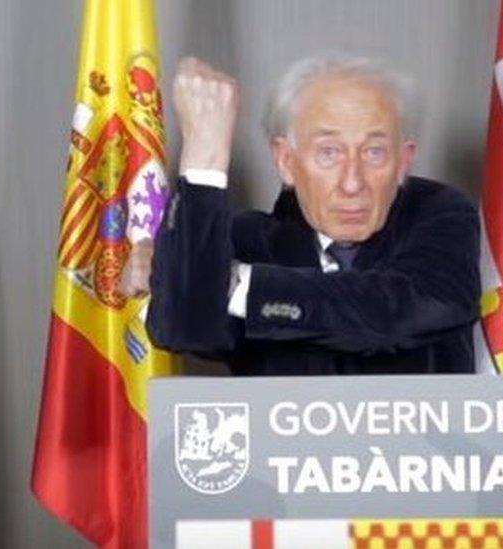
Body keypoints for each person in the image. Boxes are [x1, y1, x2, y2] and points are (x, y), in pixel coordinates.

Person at [141, 54, 481, 376]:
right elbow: (183, 328)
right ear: (286, 161)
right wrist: (204, 157)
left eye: (374, 152)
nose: (352, 183)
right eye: (329, 152)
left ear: (404, 162)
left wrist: (237, 284)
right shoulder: (248, 241)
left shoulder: (438, 214)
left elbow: (408, 307)